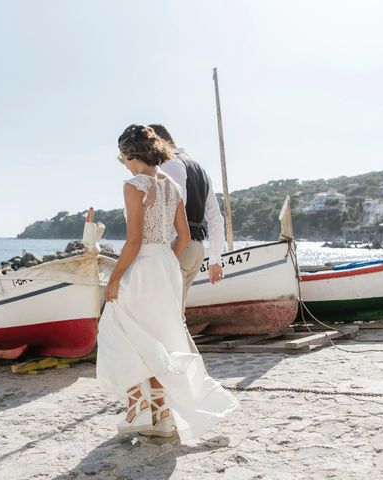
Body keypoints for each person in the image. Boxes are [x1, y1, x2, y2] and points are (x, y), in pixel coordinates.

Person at [96, 124, 238, 442]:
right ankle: (161, 415)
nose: (123, 162)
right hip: (165, 266)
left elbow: (133, 242)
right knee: (160, 337)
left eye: (122, 157)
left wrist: (115, 279)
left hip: (143, 266)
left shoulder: (134, 185)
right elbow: (184, 236)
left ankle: (138, 410)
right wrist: (167, 262)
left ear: (131, 154)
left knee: (119, 331)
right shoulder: (171, 184)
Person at [148, 124, 225, 310]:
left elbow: (174, 207)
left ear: (159, 141)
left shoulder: (171, 164)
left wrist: (164, 253)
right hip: (197, 249)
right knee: (176, 315)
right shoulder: (200, 169)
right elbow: (215, 217)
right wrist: (215, 259)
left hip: (180, 246)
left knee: (168, 313)